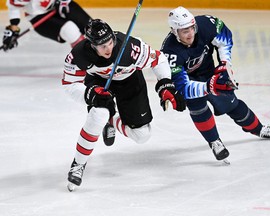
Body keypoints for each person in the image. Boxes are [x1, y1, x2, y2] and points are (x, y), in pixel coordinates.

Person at [61, 19, 233, 191]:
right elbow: (69, 84)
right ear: (91, 45)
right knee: (98, 115)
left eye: (110, 42)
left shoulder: (130, 48)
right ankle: (78, 164)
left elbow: (159, 60)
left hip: (130, 82)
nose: (109, 49)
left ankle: (111, 120)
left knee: (142, 135)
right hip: (99, 83)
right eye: (102, 46)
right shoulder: (78, 56)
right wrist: (89, 94)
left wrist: (166, 84)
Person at [160, 6, 270, 163]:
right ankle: (214, 142)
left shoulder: (206, 24)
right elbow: (183, 87)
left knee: (231, 104)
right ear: (174, 31)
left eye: (191, 28)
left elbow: (225, 39)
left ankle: (259, 129)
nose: (190, 33)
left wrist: (224, 63)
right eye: (185, 31)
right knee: (197, 108)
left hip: (208, 72)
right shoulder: (169, 53)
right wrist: (208, 87)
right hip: (190, 81)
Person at [2, 0, 91, 51]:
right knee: (70, 31)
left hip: (61, 3)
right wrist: (13, 26)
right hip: (38, 16)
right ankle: (89, 62)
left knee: (92, 28)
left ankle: (103, 57)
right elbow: (14, 7)